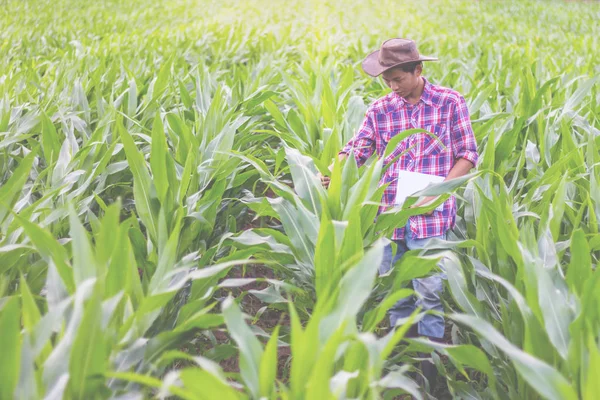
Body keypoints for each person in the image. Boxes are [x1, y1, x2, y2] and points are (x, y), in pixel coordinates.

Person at [319, 38, 479, 390]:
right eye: (386, 80)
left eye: (398, 79)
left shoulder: (449, 102)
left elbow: (468, 153)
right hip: (389, 217)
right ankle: (398, 367)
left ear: (418, 70)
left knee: (430, 291)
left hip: (431, 215)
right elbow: (356, 149)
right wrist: (335, 171)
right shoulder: (380, 109)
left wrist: (437, 194)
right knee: (396, 292)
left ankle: (430, 372)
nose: (392, 86)